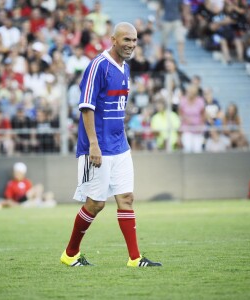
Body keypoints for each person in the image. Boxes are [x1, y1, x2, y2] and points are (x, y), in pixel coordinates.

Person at [60, 22, 162, 267]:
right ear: (113, 40)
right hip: (97, 147)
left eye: (135, 40)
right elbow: (86, 107)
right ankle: (70, 254)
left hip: (120, 146)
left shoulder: (125, 68)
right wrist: (94, 145)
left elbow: (116, 108)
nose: (131, 44)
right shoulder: (98, 66)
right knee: (95, 204)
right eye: (126, 39)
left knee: (126, 197)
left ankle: (135, 259)